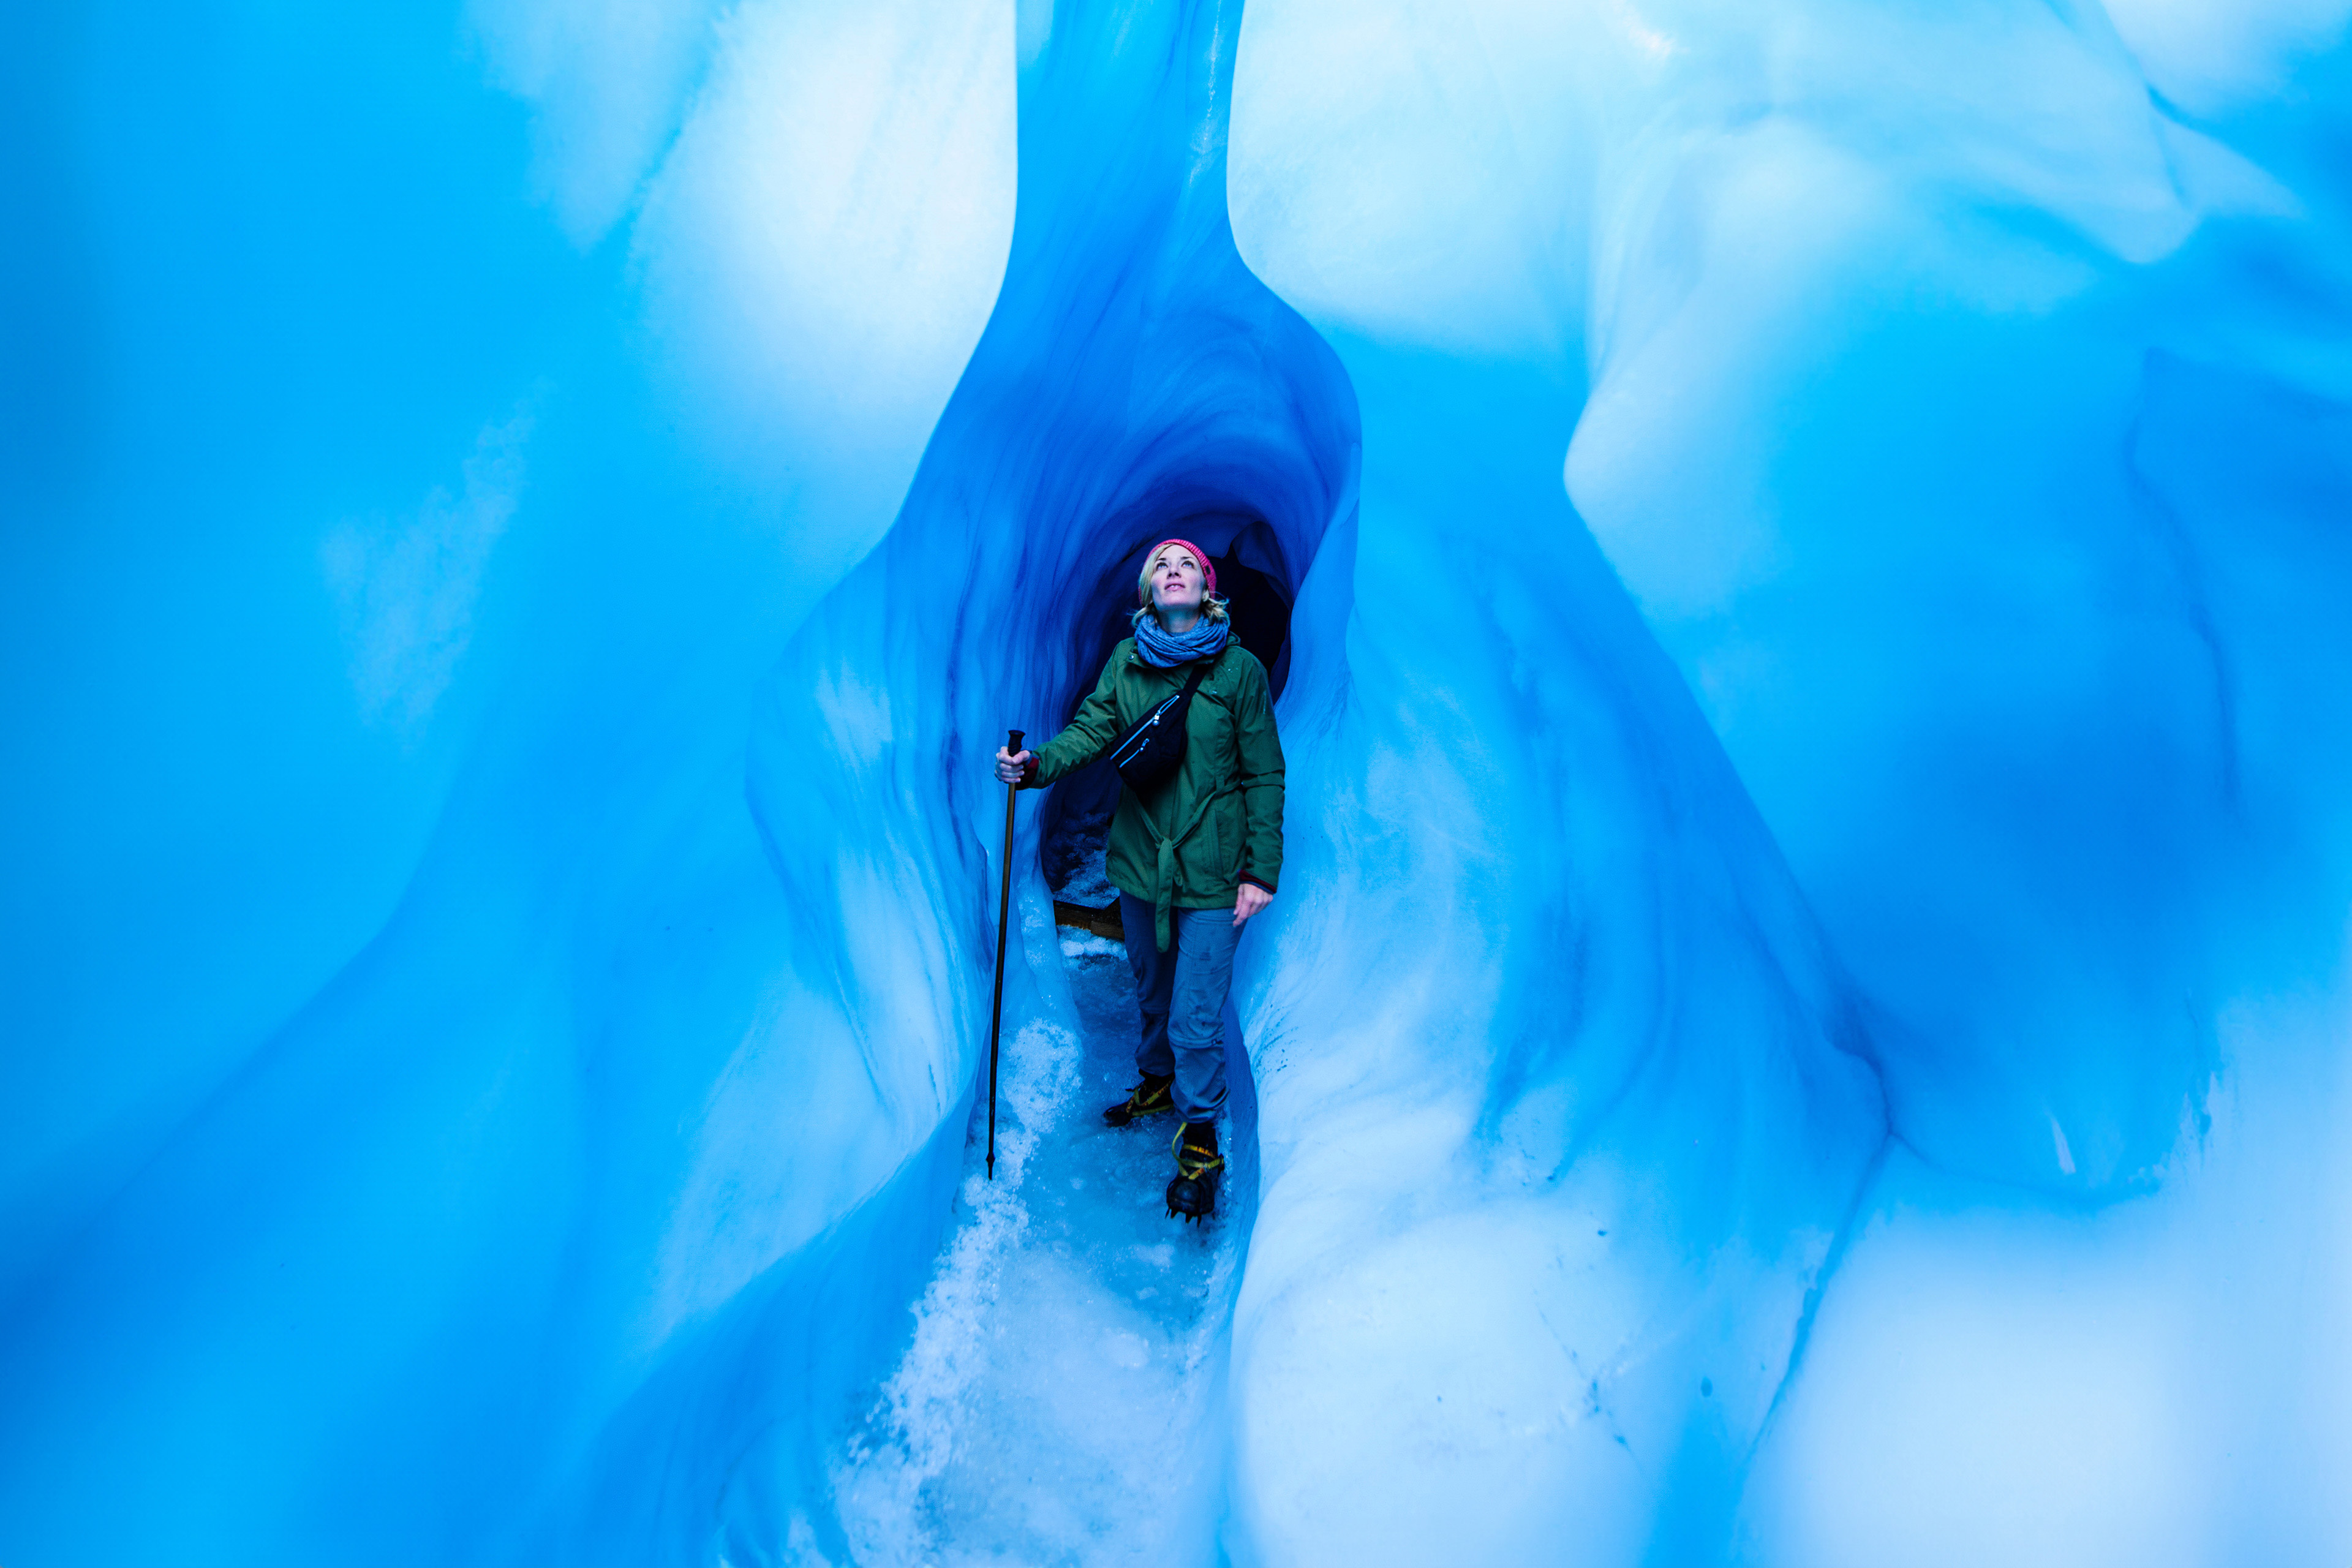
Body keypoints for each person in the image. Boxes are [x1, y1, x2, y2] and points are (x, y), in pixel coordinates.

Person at [995, 538, 1284, 1221]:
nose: (1175, 572)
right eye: (1163, 566)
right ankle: (1157, 1082)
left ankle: (1202, 1133)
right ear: (1149, 590)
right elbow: (1091, 732)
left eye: (1187, 565)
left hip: (1213, 871)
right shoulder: (1127, 662)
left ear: (1207, 588)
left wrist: (1260, 869)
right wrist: (1035, 767)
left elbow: (1264, 772)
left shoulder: (1238, 670)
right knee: (1153, 989)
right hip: (1140, 861)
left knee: (1195, 1013)